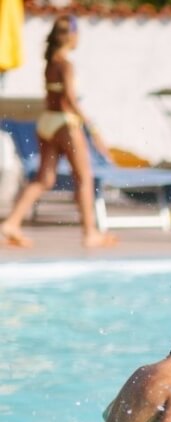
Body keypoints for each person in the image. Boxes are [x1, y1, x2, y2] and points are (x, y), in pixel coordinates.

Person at [1, 15, 116, 249]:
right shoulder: (66, 64)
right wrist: (92, 129)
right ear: (71, 36)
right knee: (84, 178)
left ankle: (11, 223)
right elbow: (71, 99)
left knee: (44, 179)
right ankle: (90, 233)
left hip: (46, 123)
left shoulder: (50, 62)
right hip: (65, 125)